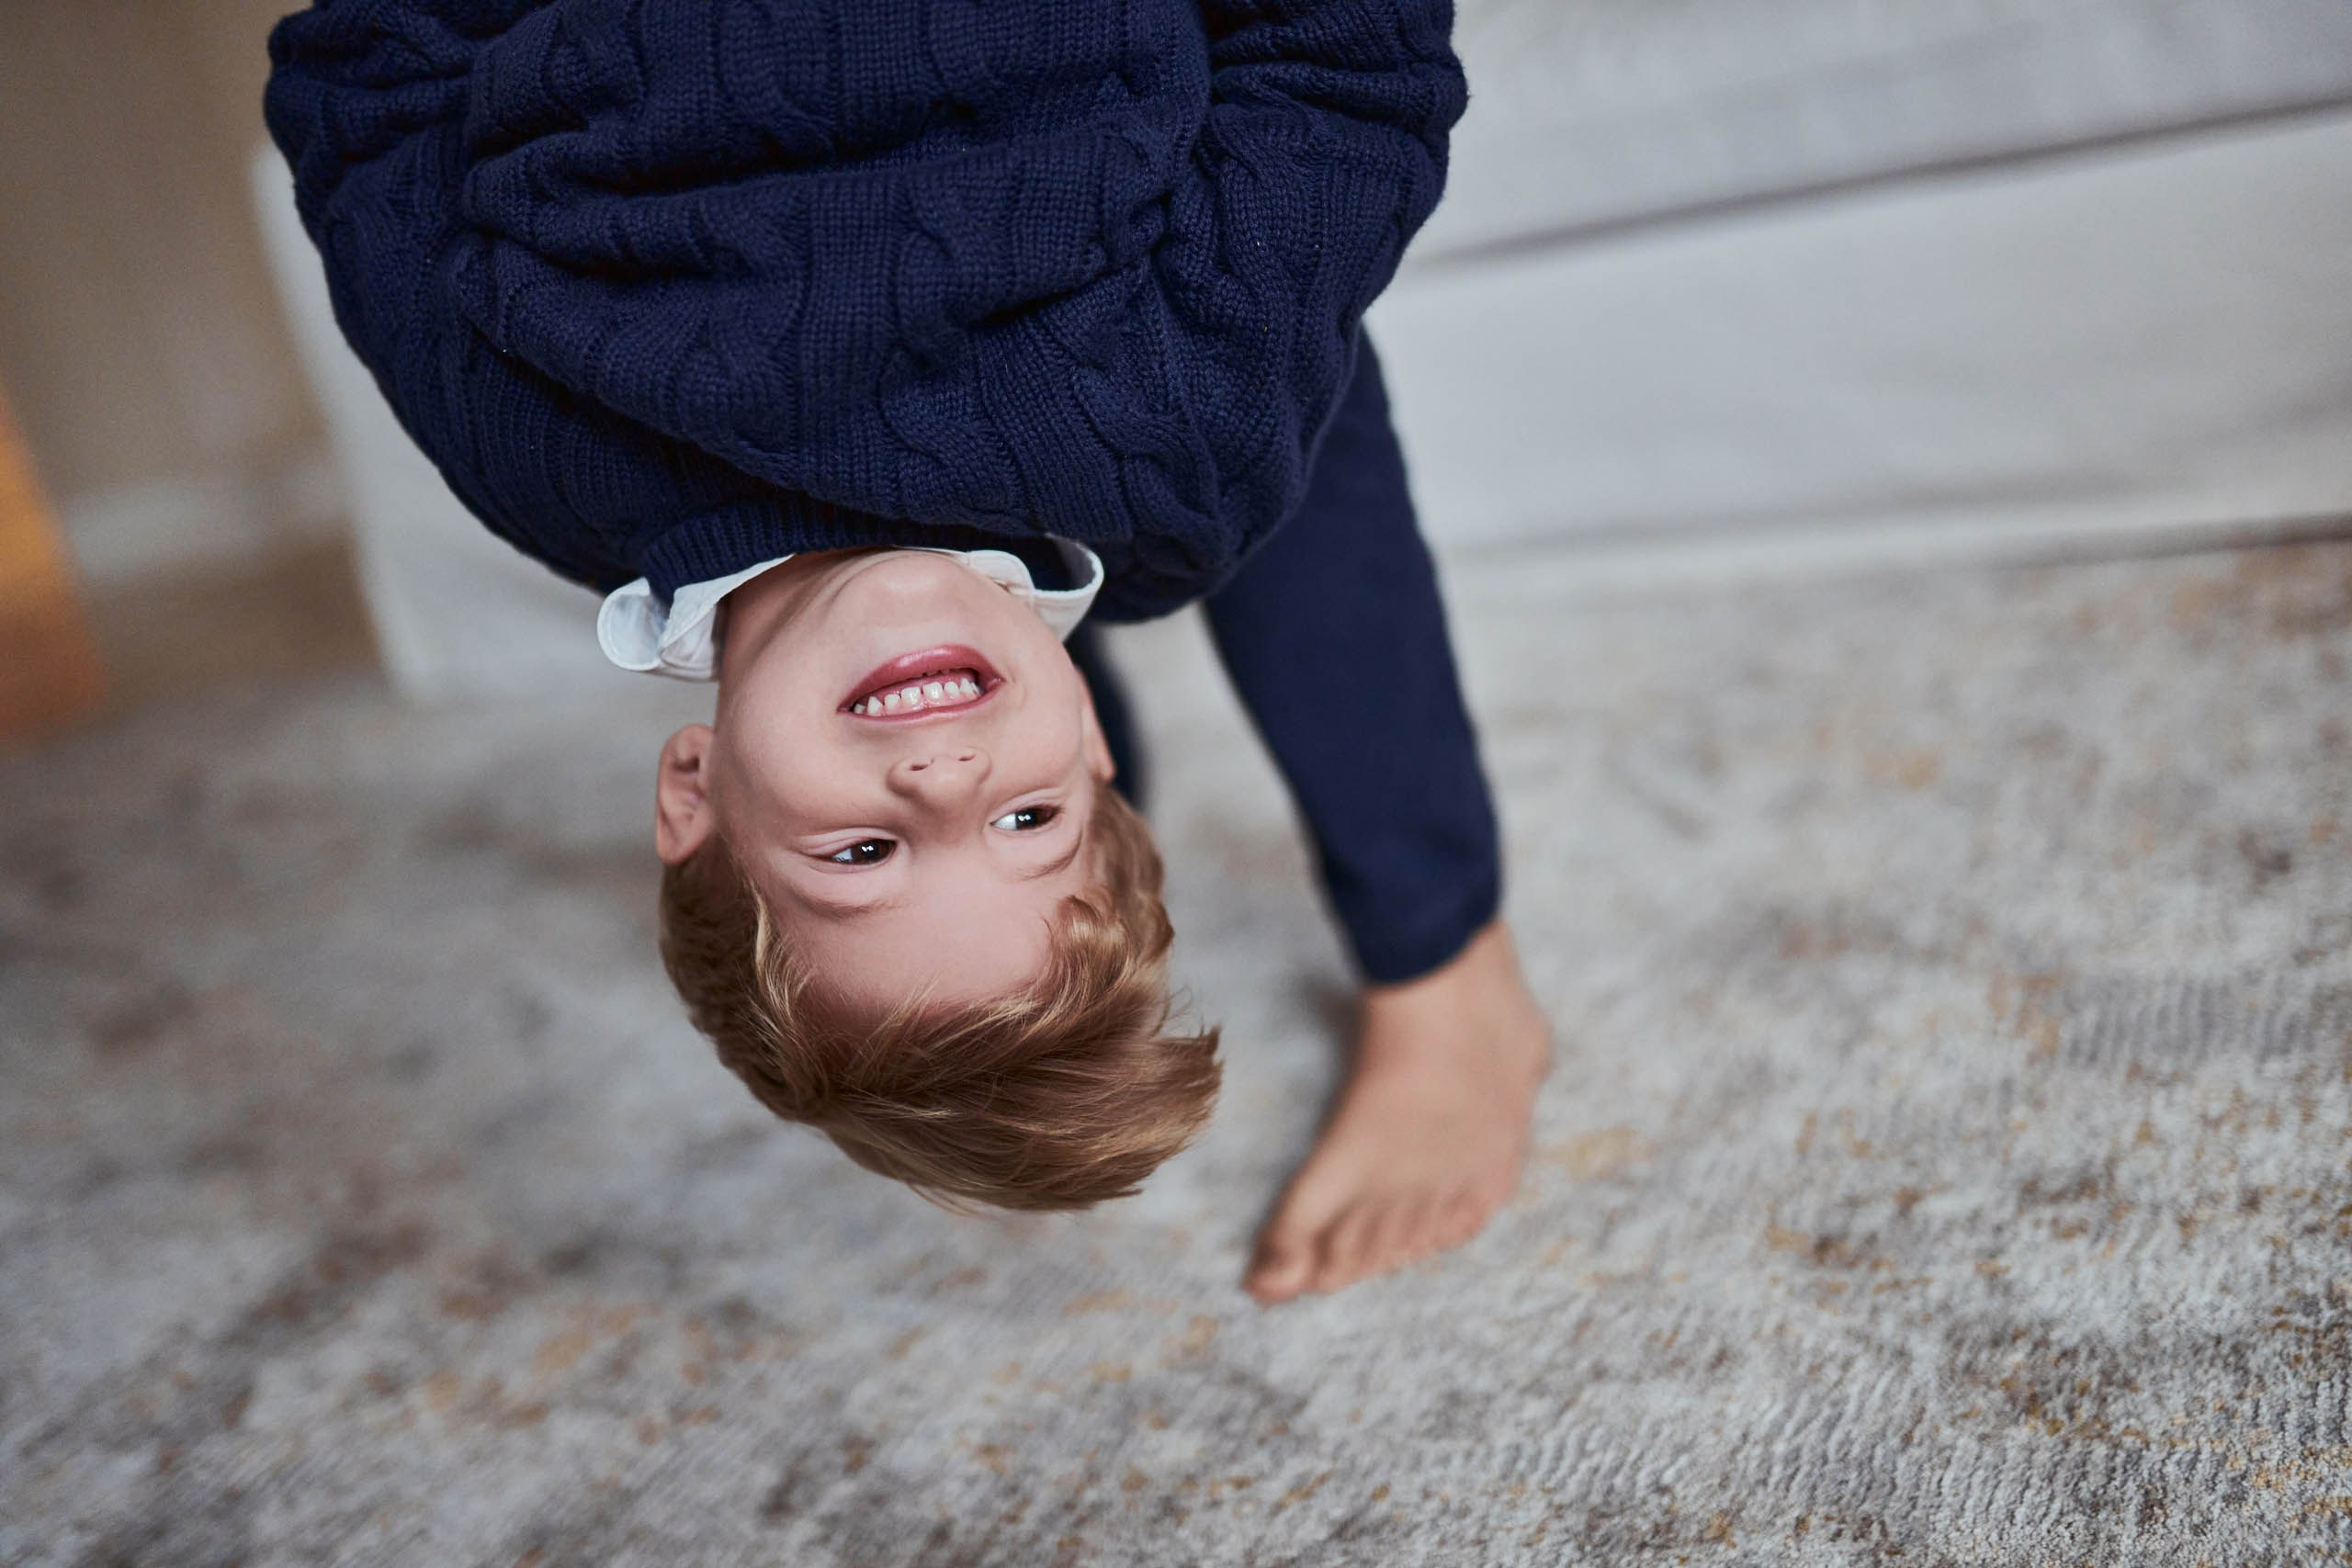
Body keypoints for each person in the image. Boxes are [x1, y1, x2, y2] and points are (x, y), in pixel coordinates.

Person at [265, 0, 1548, 1300]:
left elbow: (366, 86)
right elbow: (1343, 66)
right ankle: (1424, 942)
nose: (944, 782)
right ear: (1088, 743)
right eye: (1028, 820)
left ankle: (1392, 938)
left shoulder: (538, 453)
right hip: (1120, 272)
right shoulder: (1177, 420)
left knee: (1183, 459)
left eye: (864, 855)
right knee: (1218, 433)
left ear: (693, 793)